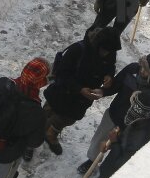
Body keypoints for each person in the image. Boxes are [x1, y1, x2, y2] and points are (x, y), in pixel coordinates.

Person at [78, 52, 150, 173]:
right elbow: (116, 84)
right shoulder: (132, 69)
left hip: (133, 127)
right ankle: (91, 161)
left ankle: (106, 173)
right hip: (114, 114)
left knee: (120, 149)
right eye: (142, 66)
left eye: (147, 70)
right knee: (100, 140)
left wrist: (146, 119)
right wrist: (103, 91)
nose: (142, 71)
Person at [42, 26, 121, 155]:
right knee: (46, 116)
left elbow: (110, 66)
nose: (106, 54)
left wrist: (109, 76)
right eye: (104, 50)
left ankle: (51, 133)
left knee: (68, 118)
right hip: (62, 92)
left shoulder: (109, 51)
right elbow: (62, 74)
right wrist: (79, 89)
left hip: (81, 100)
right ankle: (29, 142)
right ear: (98, 43)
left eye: (109, 51)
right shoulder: (78, 50)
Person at [96, 90, 150, 178]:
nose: (129, 109)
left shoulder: (139, 136)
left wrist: (114, 142)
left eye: (133, 106)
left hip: (115, 176)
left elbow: (120, 162)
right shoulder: (147, 123)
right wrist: (111, 143)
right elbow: (124, 141)